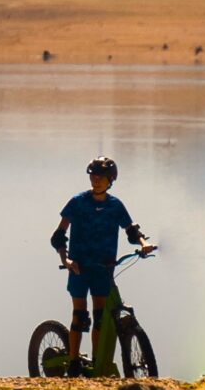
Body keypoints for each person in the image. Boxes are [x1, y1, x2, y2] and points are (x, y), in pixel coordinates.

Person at [50, 156, 153, 376]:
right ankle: (74, 360)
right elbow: (58, 235)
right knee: (80, 317)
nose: (96, 180)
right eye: (93, 176)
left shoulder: (115, 206)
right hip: (79, 267)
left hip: (104, 269)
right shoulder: (77, 202)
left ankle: (98, 363)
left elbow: (131, 230)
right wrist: (65, 260)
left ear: (111, 180)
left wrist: (144, 244)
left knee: (100, 318)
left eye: (101, 177)